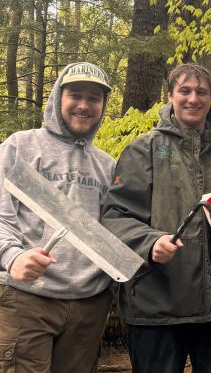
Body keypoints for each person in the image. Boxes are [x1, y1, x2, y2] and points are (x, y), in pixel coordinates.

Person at [101, 63, 211, 373]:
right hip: (157, 306)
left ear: (210, 99)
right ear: (170, 96)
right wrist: (150, 242)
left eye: (202, 92)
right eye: (185, 91)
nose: (193, 98)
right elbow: (115, 216)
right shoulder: (143, 151)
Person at [0, 62, 115, 372]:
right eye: (75, 95)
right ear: (57, 98)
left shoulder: (107, 165)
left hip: (89, 304)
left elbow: (116, 230)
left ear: (102, 106)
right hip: (27, 299)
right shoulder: (20, 146)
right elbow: (1, 215)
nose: (84, 105)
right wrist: (13, 257)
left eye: (94, 98)